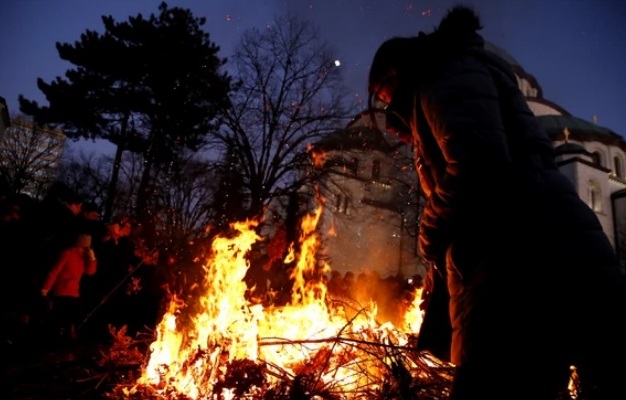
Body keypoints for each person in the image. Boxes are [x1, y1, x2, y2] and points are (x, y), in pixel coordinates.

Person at [367, 5, 626, 400]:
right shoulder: (455, 76)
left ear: (397, 73)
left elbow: (478, 164)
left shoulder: (441, 73)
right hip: (546, 253)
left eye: (386, 97)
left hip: (517, 266)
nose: (390, 109)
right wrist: (437, 279)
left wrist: (429, 232)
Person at [41, 233, 97, 343]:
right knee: (60, 318)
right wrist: (46, 288)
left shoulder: (84, 257)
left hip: (74, 291)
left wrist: (92, 259)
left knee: (70, 317)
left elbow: (90, 272)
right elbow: (55, 272)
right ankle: (55, 339)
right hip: (62, 290)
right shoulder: (68, 254)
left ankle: (67, 339)